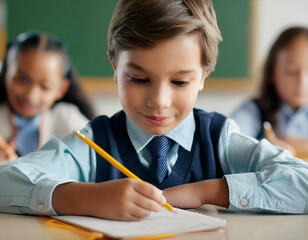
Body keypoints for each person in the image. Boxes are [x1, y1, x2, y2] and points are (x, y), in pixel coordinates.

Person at [0, 0, 307, 221]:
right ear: (114, 65)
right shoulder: (93, 142)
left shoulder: (219, 138)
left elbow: (301, 182)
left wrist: (205, 193)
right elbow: (7, 179)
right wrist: (85, 197)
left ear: (204, 75)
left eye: (180, 81)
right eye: (139, 78)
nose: (159, 100)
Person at [0, 31, 95, 162]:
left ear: (61, 89)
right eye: (22, 79)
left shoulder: (66, 118)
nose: (30, 96)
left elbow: (97, 157)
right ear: (5, 75)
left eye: (45, 87)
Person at [231, 27, 308, 158]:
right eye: (291, 71)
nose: (302, 81)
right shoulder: (254, 111)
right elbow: (229, 142)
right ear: (271, 73)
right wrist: (262, 148)